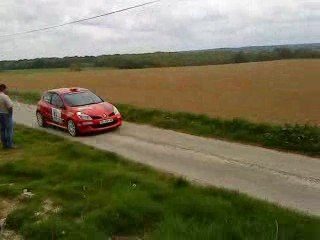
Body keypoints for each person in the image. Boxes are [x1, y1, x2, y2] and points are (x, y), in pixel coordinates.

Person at [0, 84, 15, 149]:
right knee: (9, 130)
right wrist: (10, 114)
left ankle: (4, 144)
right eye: (6, 89)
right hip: (6, 114)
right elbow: (10, 106)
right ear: (3, 89)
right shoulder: (5, 96)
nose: (7, 90)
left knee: (2, 130)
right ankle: (10, 144)